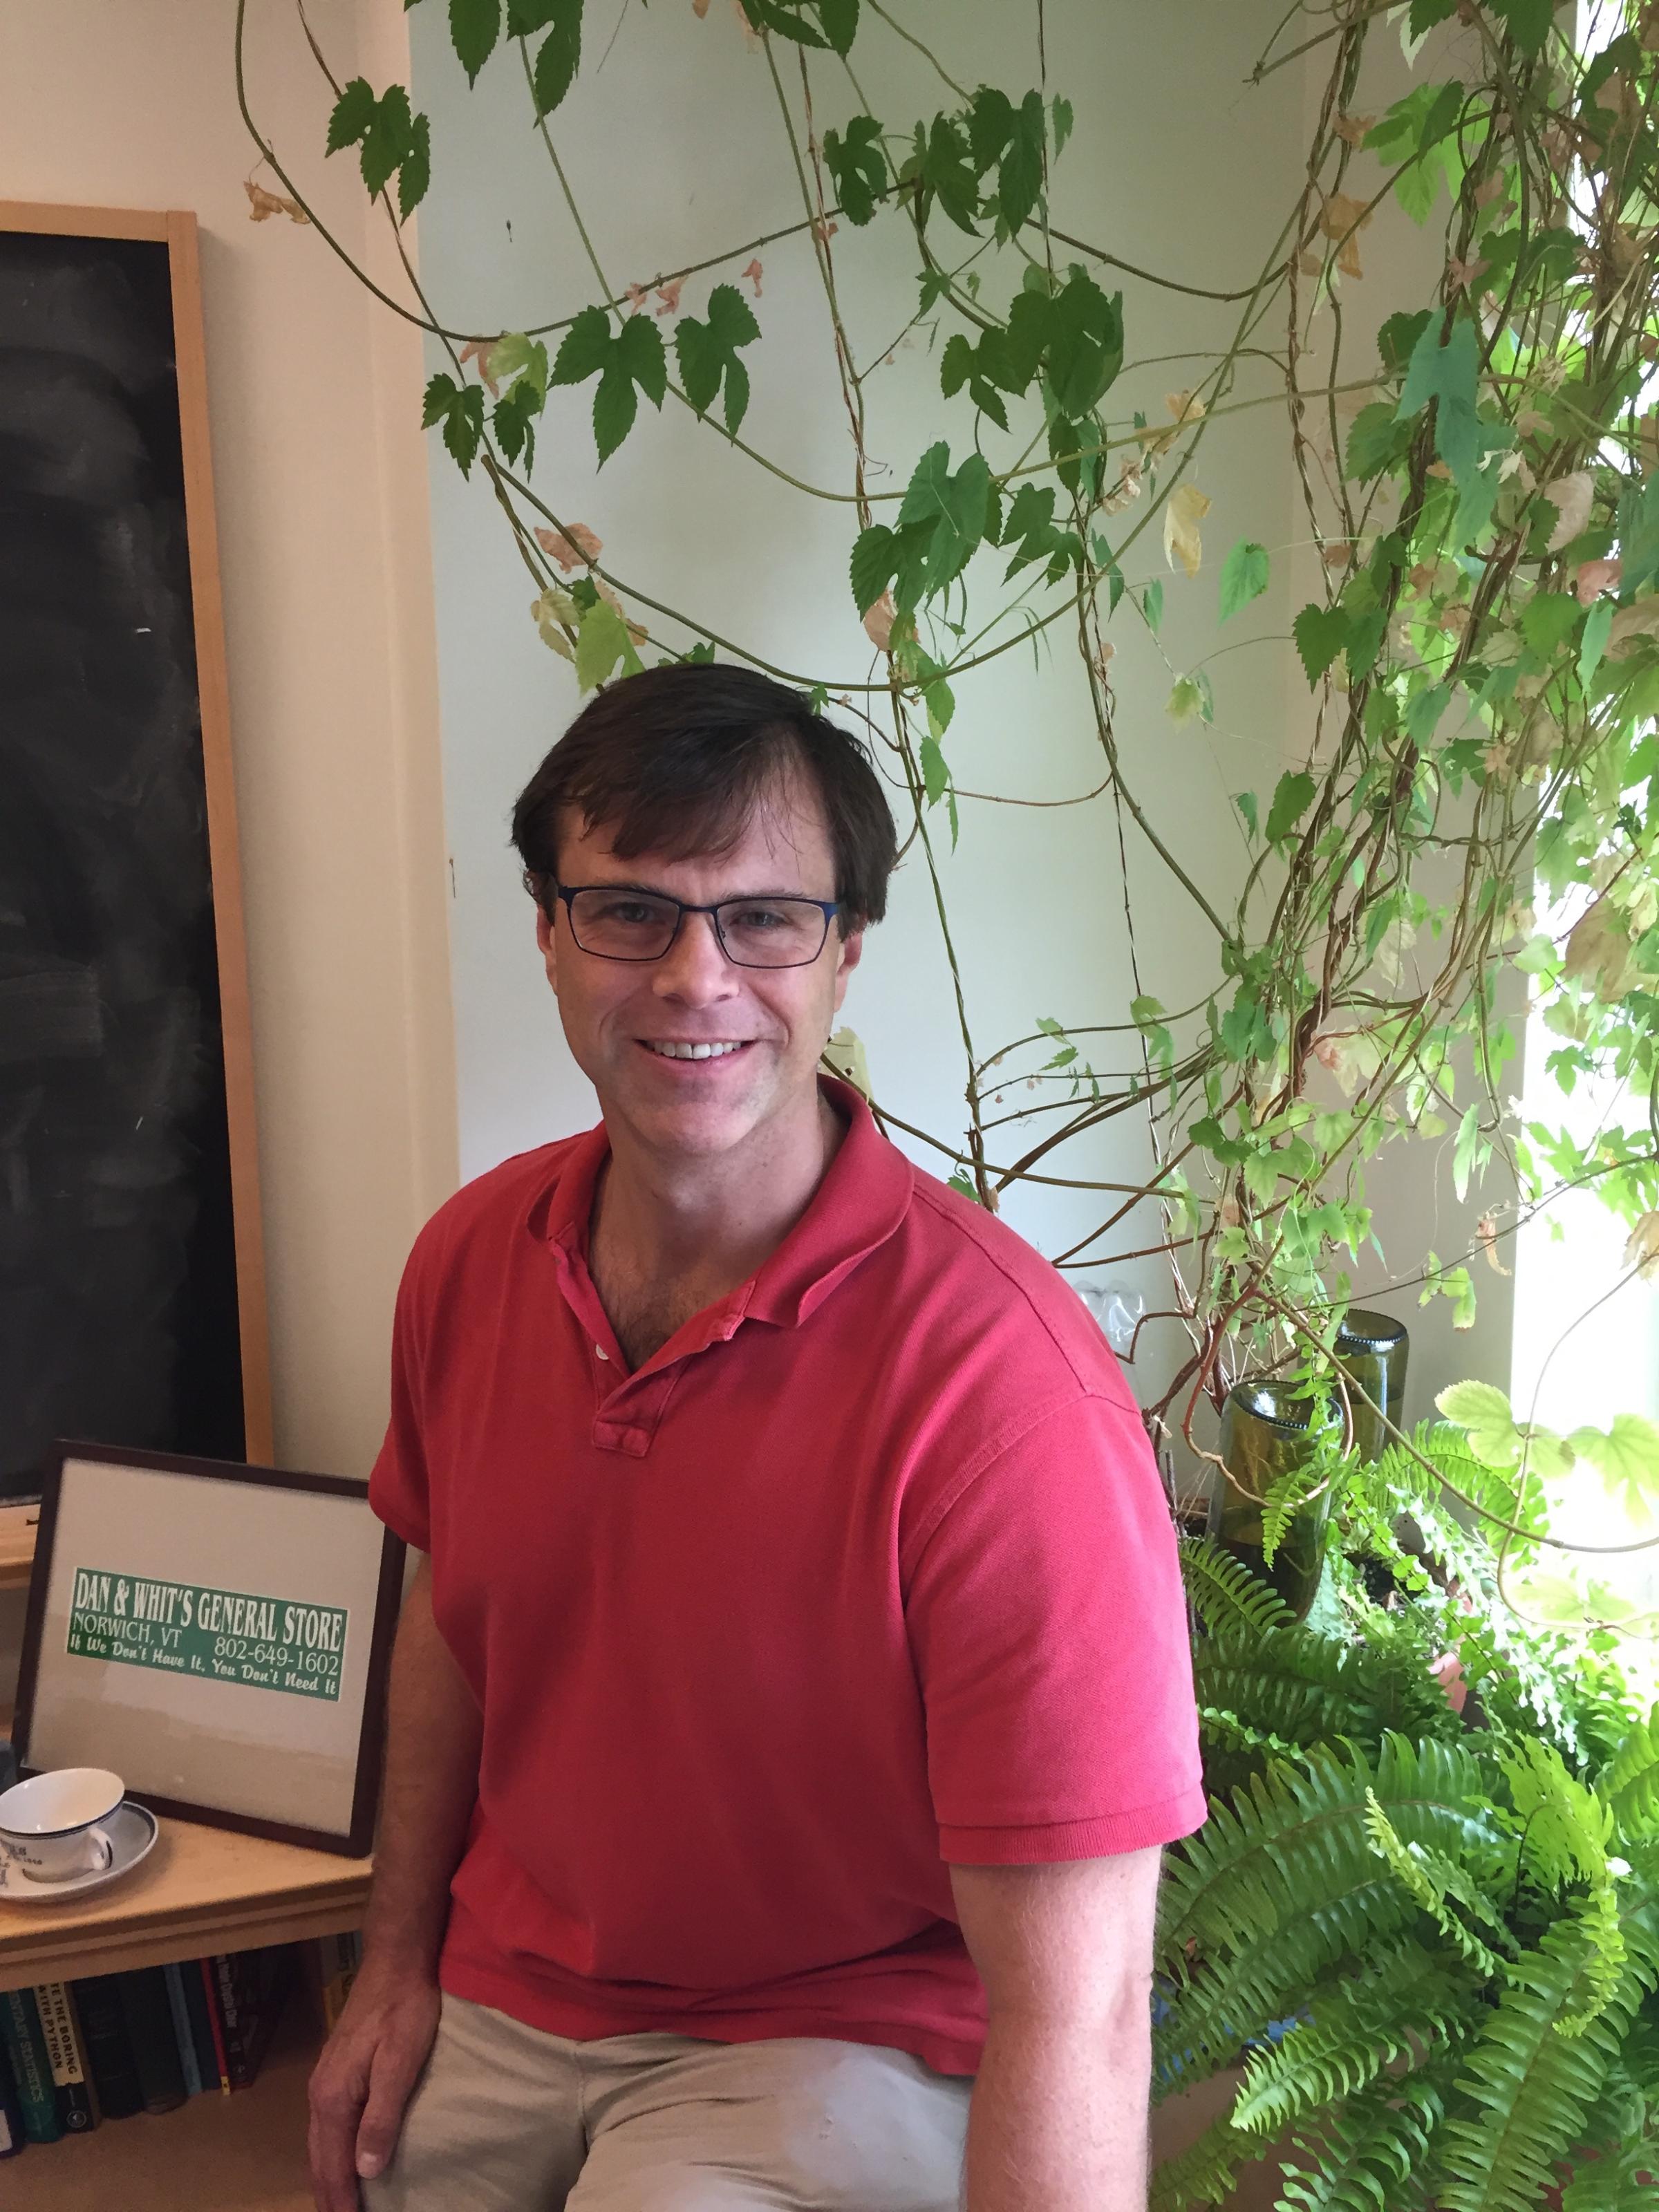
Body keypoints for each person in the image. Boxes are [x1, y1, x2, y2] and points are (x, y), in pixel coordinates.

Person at [308, 664, 1206, 2212]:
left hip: (835, 2025)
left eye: (763, 918)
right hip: (516, 1982)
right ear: (548, 931)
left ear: (846, 950)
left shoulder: (1007, 1393)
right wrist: (391, 1967)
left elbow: (1086, 2010)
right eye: (632, 910)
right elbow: (459, 1632)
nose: (694, 977)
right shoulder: (467, 1257)